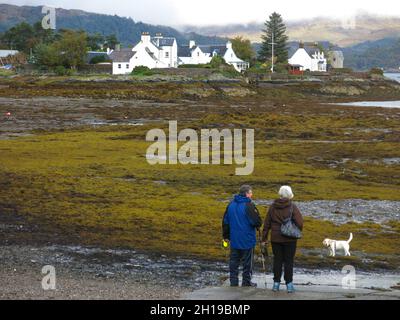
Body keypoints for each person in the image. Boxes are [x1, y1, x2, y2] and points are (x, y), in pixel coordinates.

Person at [262, 186, 303, 293]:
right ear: (290, 194)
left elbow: (266, 224)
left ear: (280, 193)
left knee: (277, 260)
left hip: (275, 238)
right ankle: (289, 285)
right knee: (289, 261)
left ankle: (276, 284)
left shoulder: (272, 207)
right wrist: (296, 230)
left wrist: (264, 238)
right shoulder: (292, 207)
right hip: (290, 239)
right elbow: (300, 222)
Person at [222, 185, 262, 287]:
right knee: (247, 263)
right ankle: (246, 282)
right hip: (247, 239)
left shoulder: (231, 204)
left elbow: (225, 222)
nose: (252, 195)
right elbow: (257, 222)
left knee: (234, 262)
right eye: (251, 193)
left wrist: (226, 236)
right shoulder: (249, 205)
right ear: (247, 194)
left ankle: (233, 281)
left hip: (234, 239)